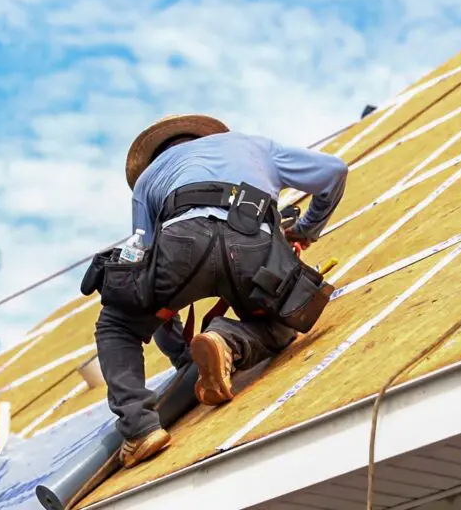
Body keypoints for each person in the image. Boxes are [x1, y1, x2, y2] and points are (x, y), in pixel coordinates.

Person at [85, 114, 348, 469]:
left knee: (117, 325)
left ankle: (139, 429)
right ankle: (228, 342)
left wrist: (181, 354)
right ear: (201, 135)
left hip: (181, 242)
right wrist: (304, 230)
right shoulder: (252, 144)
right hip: (254, 240)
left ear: (158, 154)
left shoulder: (149, 180)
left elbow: (139, 261)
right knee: (284, 319)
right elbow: (334, 171)